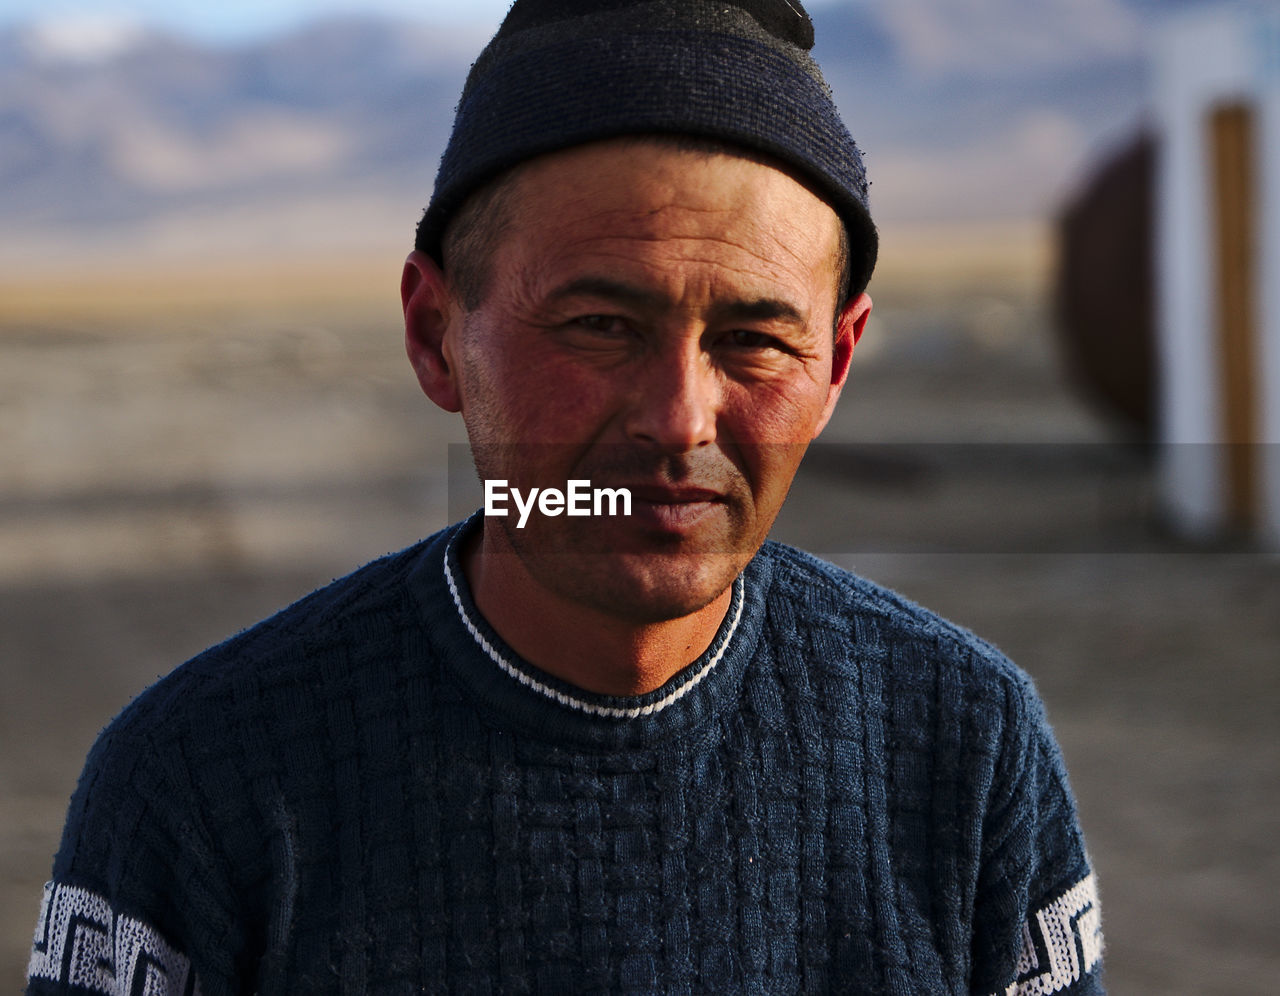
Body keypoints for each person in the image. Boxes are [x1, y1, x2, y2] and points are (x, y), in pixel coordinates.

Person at [26, 1, 1104, 993]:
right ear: (434, 335)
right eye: (598, 326)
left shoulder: (961, 745)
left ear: (835, 361)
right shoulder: (203, 780)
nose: (677, 420)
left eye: (752, 341)